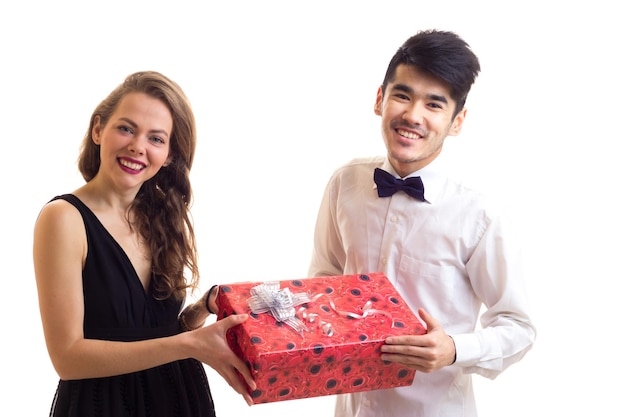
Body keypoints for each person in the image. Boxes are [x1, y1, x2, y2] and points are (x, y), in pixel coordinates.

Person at [308, 29, 536, 417]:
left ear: (457, 121)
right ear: (380, 99)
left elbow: (518, 326)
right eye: (403, 95)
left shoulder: (479, 216)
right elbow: (324, 280)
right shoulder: (345, 184)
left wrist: (454, 349)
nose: (413, 116)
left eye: (434, 105)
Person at [33, 71, 256, 417]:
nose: (138, 145)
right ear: (97, 130)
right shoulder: (63, 218)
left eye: (156, 138)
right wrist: (189, 345)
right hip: (104, 406)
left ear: (168, 154)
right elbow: (67, 358)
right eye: (126, 128)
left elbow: (157, 333)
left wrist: (205, 306)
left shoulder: (159, 215)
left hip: (178, 399)